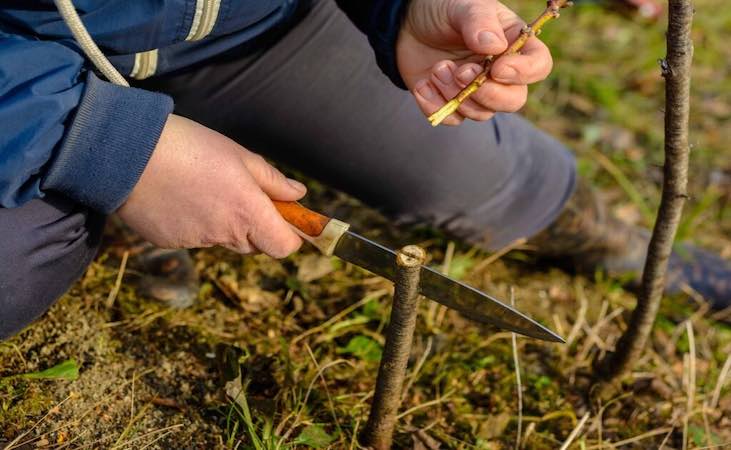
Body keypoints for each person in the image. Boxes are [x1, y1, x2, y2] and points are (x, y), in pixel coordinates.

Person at [0, 0, 728, 340]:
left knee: (473, 177)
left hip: (253, 27)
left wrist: (404, 7)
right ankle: (96, 197)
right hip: (22, 69)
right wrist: (109, 147)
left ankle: (612, 243)